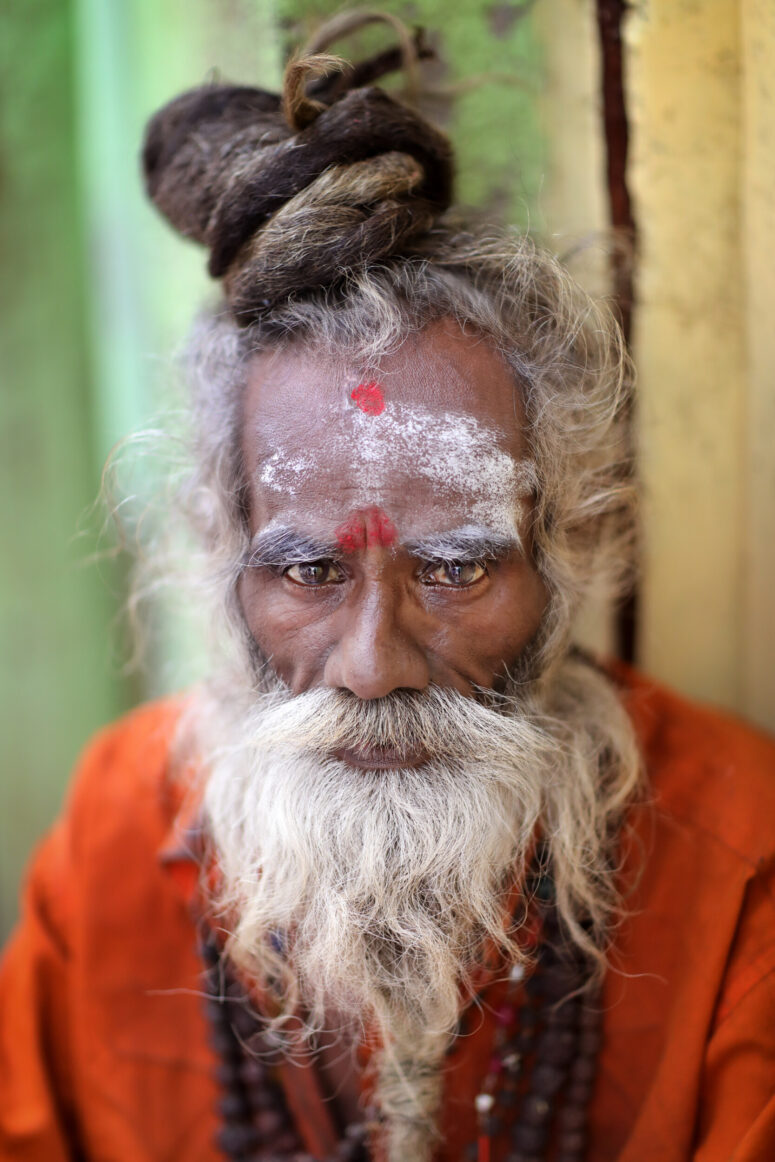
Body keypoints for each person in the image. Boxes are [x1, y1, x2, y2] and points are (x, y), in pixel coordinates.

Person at [2, 21, 775, 1162]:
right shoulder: (119, 832)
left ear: (561, 552)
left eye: (457, 565)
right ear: (226, 561)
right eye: (310, 570)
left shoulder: (735, 851)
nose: (374, 663)